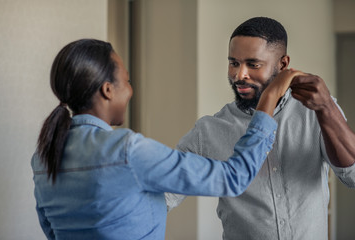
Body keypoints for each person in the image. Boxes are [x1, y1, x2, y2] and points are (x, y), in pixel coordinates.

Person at [31, 39, 300, 240]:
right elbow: (234, 177)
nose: (131, 90)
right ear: (108, 90)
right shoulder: (127, 150)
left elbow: (52, 232)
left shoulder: (44, 157)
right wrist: (269, 99)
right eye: (127, 81)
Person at [166, 17, 355, 240]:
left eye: (253, 64)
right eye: (234, 63)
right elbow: (165, 194)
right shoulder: (208, 131)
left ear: (283, 65)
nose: (239, 75)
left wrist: (326, 109)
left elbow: (352, 177)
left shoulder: (314, 111)